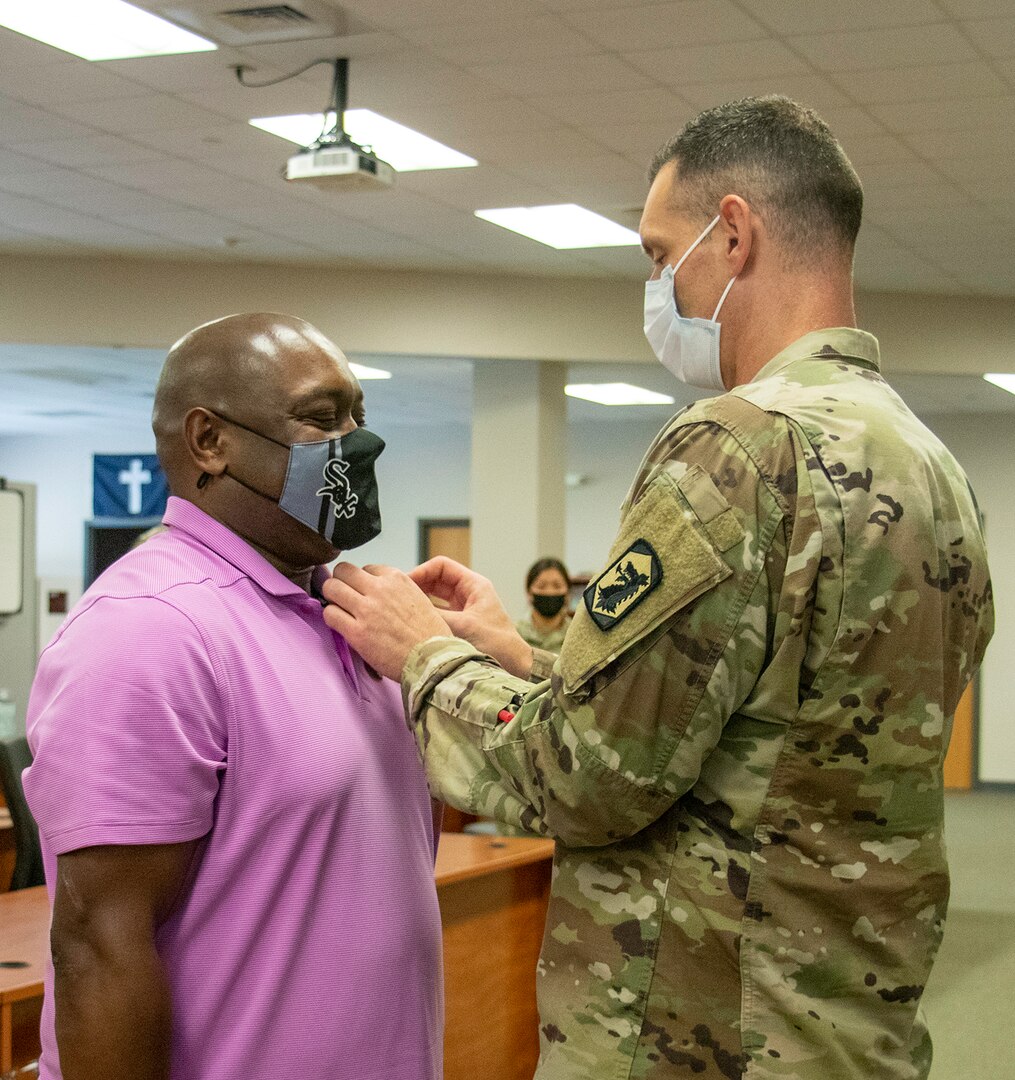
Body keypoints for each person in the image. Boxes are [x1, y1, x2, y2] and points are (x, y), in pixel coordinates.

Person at [320, 97, 994, 1080]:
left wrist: (424, 656)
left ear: (731, 233)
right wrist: (521, 657)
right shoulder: (929, 468)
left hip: (700, 1030)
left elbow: (583, 780)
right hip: (846, 1024)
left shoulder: (735, 444)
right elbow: (771, 717)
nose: (653, 284)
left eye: (656, 252)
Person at [23, 314, 443, 1080]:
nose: (355, 442)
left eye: (358, 415)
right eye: (321, 419)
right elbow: (97, 944)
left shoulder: (360, 618)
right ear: (208, 442)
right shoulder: (150, 630)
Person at [516, 557, 572, 653]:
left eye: (557, 586)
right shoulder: (515, 635)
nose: (549, 592)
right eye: (541, 586)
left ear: (568, 592)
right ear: (529, 592)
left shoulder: (576, 635)